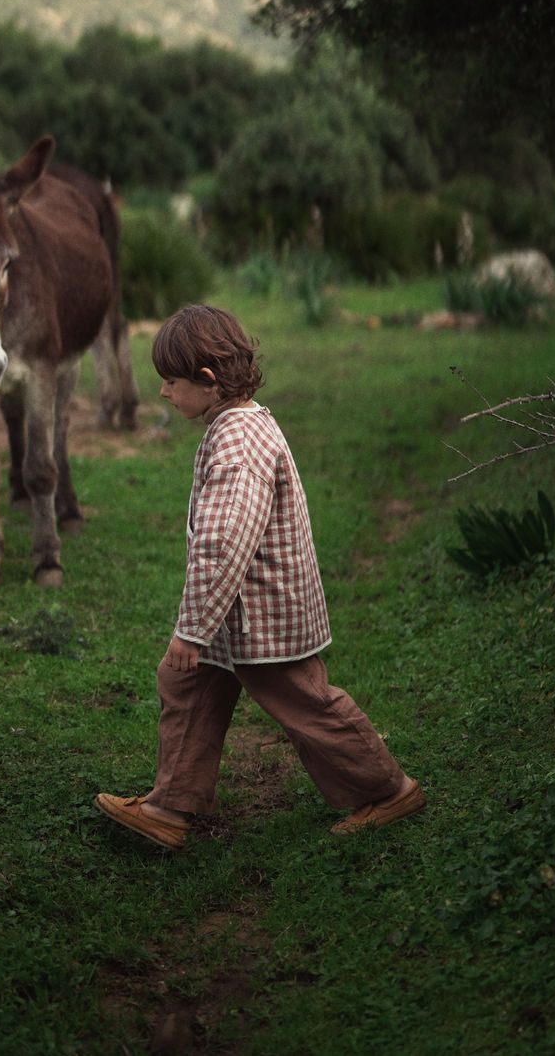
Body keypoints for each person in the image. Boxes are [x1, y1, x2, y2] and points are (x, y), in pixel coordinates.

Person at [95, 304, 424, 850]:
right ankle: (169, 809)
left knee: (308, 706)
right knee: (187, 684)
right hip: (237, 616)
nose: (163, 393)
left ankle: (390, 791)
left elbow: (223, 547)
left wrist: (191, 630)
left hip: (261, 619)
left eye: (170, 382)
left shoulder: (238, 444)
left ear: (206, 380)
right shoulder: (237, 422)